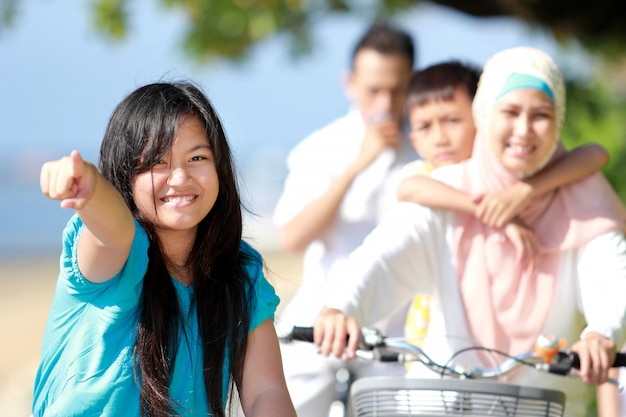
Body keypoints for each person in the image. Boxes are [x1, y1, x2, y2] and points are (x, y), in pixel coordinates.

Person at [313, 46, 626, 417]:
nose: (523, 130)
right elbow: (381, 255)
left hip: (542, 404)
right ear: (484, 116)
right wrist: (340, 307)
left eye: (541, 115)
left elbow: (610, 273)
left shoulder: (581, 199)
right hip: (438, 402)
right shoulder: (450, 189)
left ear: (557, 122)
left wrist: (600, 333)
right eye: (509, 112)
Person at [33, 81, 296, 417]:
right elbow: (114, 232)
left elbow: (265, 391)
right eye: (158, 163)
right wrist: (90, 185)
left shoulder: (240, 271)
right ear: (125, 175)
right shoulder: (116, 255)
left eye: (197, 157)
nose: (180, 177)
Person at [272, 21, 417, 417]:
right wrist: (357, 166)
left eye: (397, 88)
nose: (385, 102)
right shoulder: (321, 147)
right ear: (349, 83)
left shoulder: (428, 146)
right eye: (374, 89)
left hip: (396, 338)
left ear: (413, 83)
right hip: (318, 327)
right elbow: (292, 237)